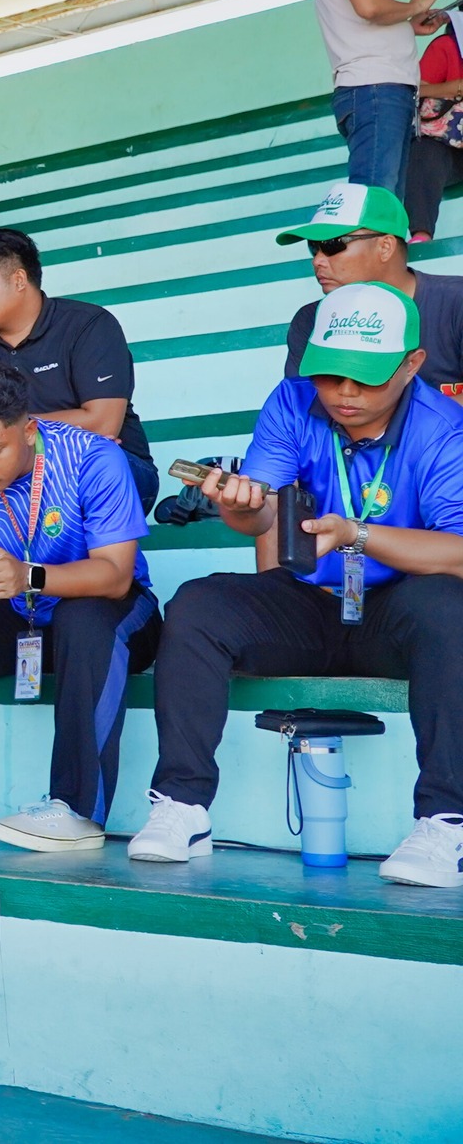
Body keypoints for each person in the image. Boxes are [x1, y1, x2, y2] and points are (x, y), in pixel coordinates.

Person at [132, 282, 463, 885]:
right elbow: (258, 514)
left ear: (412, 363)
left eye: (365, 378)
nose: (344, 393)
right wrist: (240, 505)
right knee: (199, 604)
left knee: (450, 606)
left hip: (400, 611)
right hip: (310, 604)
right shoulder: (291, 401)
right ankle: (183, 805)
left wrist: (356, 533)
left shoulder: (445, 427)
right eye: (329, 375)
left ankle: (446, 822)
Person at [0, 361, 161, 851]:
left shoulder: (93, 458)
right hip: (18, 615)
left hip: (113, 615)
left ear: (28, 430)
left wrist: (28, 575)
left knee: (83, 617)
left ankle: (76, 810)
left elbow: (115, 576)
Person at [0, 228, 158, 508]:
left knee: (96, 460)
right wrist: (12, 438)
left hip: (105, 465)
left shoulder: (87, 325)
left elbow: (103, 423)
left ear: (19, 280)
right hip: (7, 471)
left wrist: (3, 434)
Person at [314, 0, 445, 197]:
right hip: (375, 91)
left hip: (376, 92)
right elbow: (370, 6)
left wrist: (408, 25)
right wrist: (414, 6)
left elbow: (365, 18)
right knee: (375, 197)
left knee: (386, 202)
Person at [279, 182, 463, 400]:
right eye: (313, 247)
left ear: (385, 247)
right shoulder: (310, 320)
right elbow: (299, 409)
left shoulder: (456, 301)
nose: (317, 260)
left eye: (332, 244)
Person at [407, 2, 463, 242]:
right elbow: (414, 89)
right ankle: (421, 234)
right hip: (448, 150)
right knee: (424, 153)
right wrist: (454, 88)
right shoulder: (447, 46)